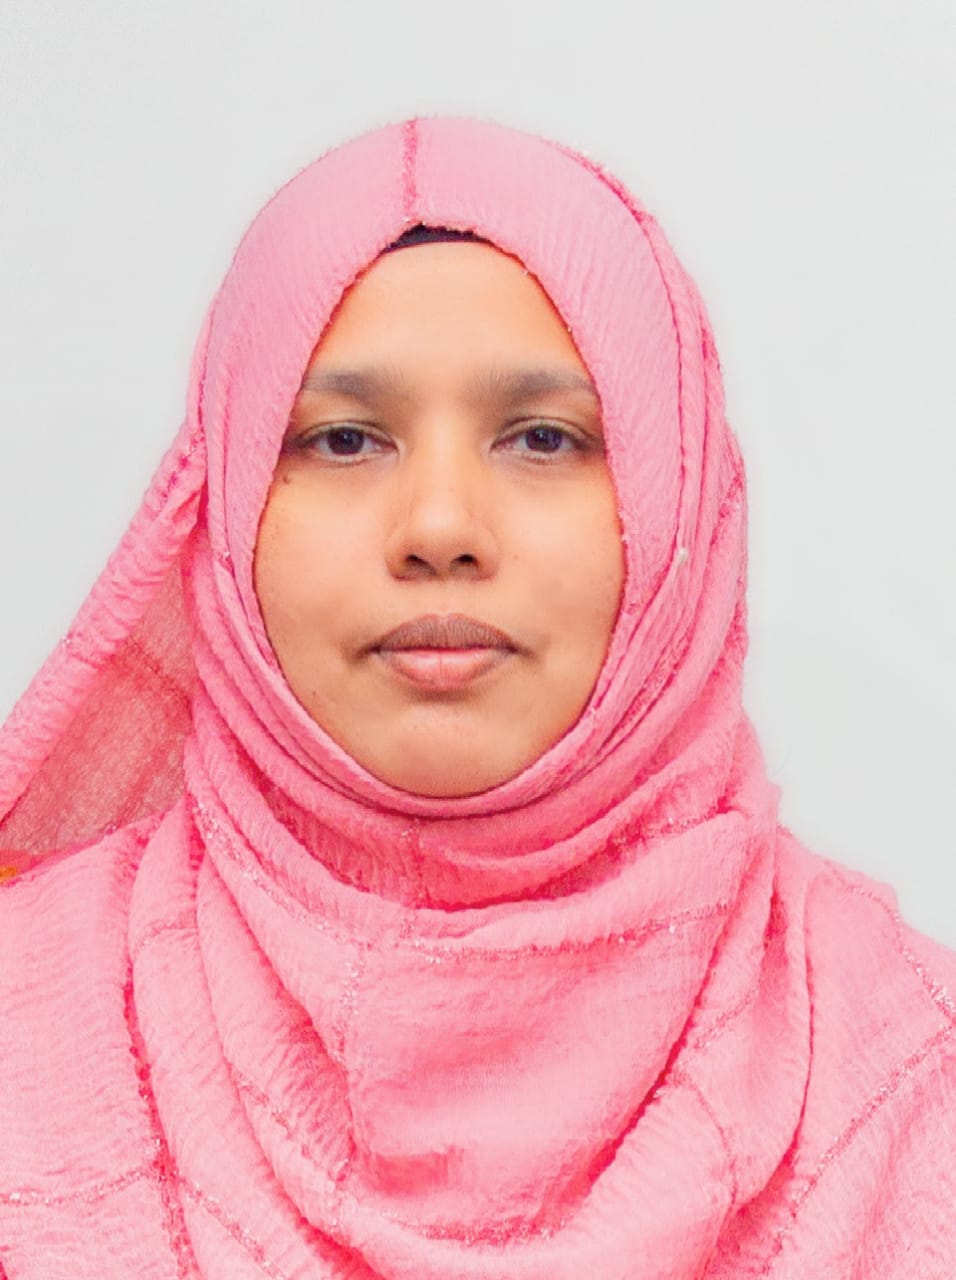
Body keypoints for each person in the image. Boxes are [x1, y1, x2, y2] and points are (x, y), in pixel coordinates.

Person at [0, 116, 953, 1279]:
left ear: (677, 507)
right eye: (342, 440)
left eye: (542, 437)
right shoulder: (24, 1032)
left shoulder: (908, 1076)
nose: (441, 526)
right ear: (227, 504)